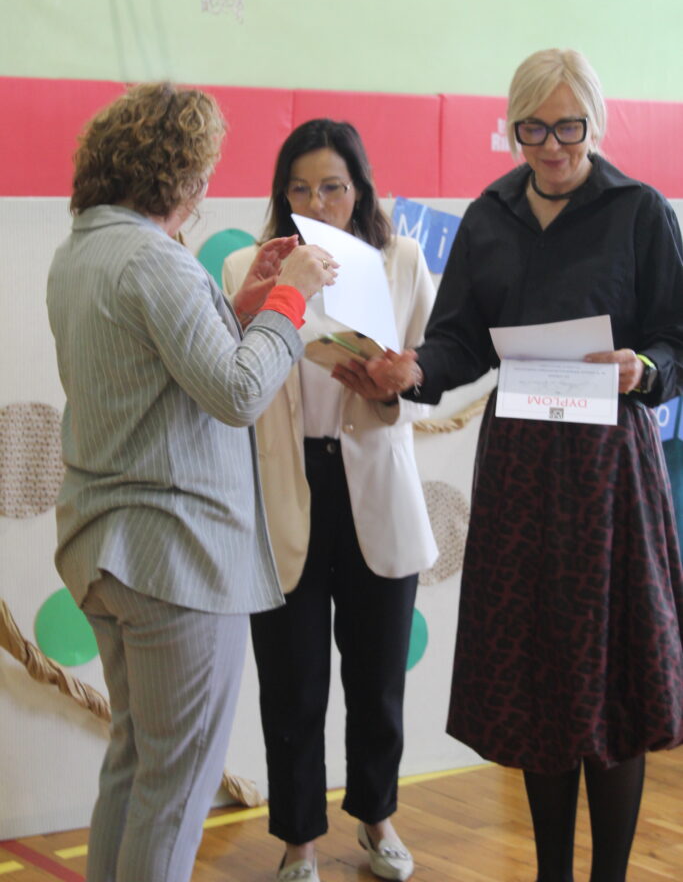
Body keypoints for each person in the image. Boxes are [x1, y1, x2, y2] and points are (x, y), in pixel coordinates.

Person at [366, 49, 683, 882]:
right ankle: (550, 874)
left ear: (595, 124)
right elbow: (459, 341)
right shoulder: (489, 214)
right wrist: (414, 371)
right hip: (519, 470)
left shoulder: (639, 211)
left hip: (608, 473)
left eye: (567, 128)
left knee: (608, 681)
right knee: (543, 679)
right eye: (531, 129)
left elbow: (674, 340)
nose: (550, 147)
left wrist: (644, 370)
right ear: (511, 129)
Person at [46, 82, 337, 882]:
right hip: (176, 560)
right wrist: (290, 298)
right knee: (174, 793)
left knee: (135, 767)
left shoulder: (82, 252)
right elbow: (238, 393)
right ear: (179, 174)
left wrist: (240, 307)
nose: (206, 187)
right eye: (204, 170)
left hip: (109, 550)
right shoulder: (154, 259)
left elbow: (165, 372)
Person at [222, 118, 437, 882]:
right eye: (301, 188)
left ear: (360, 189)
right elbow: (232, 381)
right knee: (292, 680)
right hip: (286, 488)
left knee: (377, 679)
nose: (318, 202)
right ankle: (298, 842)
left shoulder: (400, 259)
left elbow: (432, 377)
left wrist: (393, 385)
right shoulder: (250, 265)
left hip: (373, 480)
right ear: (282, 194)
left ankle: (377, 819)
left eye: (333, 187)